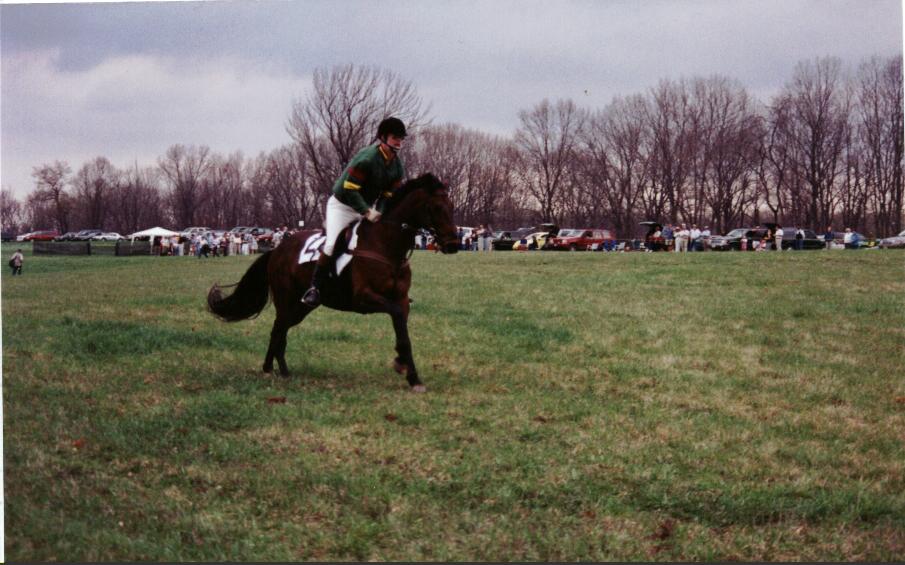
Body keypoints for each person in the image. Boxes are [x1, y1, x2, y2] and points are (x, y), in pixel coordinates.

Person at [302, 117, 407, 306]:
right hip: (341, 206)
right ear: (383, 137)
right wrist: (367, 211)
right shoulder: (367, 159)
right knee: (331, 244)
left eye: (401, 138)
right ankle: (314, 288)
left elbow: (387, 195)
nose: (399, 142)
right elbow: (350, 190)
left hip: (364, 208)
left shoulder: (398, 168)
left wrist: (379, 212)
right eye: (395, 138)